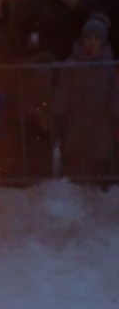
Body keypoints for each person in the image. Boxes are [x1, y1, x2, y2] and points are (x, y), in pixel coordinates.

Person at [49, 11, 119, 182]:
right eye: (88, 37)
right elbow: (63, 90)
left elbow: (114, 91)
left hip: (100, 120)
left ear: (103, 41)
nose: (92, 42)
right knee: (76, 157)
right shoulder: (72, 64)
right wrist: (58, 109)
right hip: (76, 118)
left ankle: (99, 186)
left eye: (96, 38)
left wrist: (115, 111)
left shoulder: (108, 66)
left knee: (100, 155)